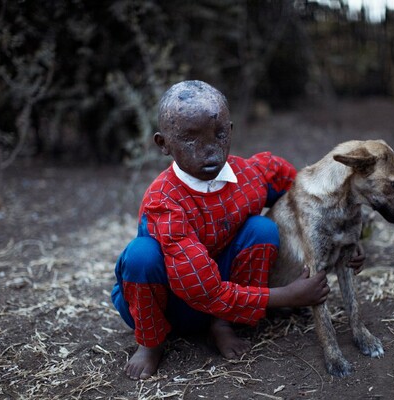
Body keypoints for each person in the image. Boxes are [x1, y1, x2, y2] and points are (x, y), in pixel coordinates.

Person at [111, 80, 365, 380]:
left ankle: (223, 325)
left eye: (219, 134)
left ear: (230, 130)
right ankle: (150, 343)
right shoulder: (163, 202)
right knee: (141, 255)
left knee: (261, 228)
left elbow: (313, 199)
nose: (209, 151)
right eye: (190, 138)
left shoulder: (255, 174)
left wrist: (349, 242)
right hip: (167, 302)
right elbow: (202, 290)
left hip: (224, 300)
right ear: (163, 144)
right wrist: (287, 296)